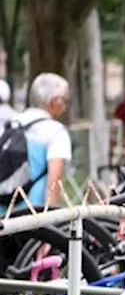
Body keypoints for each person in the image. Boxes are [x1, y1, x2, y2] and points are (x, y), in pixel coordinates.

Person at [18, 73, 72, 208]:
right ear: (55, 101)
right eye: (65, 101)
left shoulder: (11, 124)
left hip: (4, 216)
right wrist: (51, 220)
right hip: (33, 214)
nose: (65, 107)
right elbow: (54, 181)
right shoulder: (56, 131)